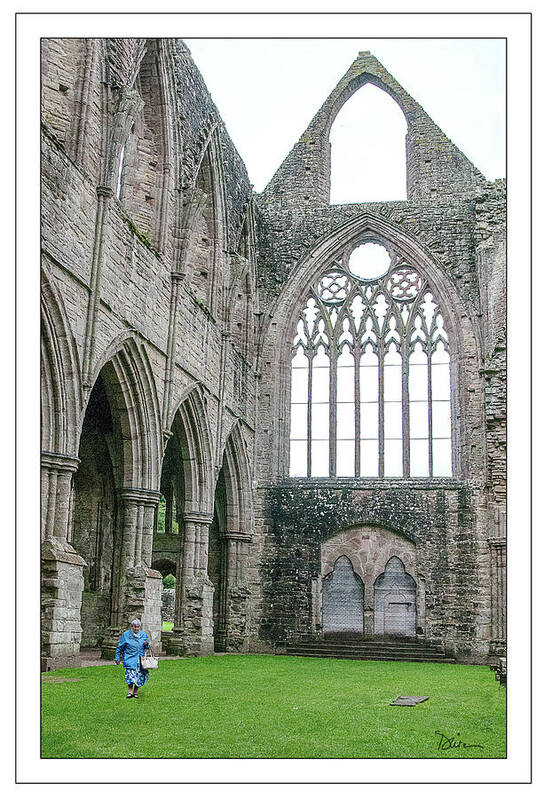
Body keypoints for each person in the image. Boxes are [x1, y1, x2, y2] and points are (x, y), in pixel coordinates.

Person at [115, 618, 151, 699]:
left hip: (140, 659)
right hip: (130, 658)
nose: (136, 628)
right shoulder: (126, 635)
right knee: (130, 676)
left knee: (139, 676)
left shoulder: (143, 635)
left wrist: (146, 644)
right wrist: (117, 658)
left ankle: (135, 692)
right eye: (134, 627)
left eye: (138, 627)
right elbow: (119, 647)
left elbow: (146, 647)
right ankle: (129, 692)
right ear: (132, 627)